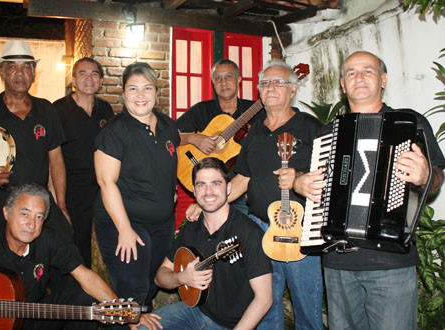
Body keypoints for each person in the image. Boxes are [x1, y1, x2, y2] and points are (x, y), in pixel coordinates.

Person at [294, 51, 445, 330]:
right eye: (351, 72)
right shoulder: (327, 134)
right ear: (342, 84)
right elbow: (301, 175)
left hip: (390, 262)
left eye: (368, 71)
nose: (359, 77)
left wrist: (425, 176)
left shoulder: (409, 123)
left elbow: (436, 177)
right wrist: (299, 183)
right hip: (338, 262)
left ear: (383, 79)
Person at [187, 58, 324, 330]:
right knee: (265, 306)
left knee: (306, 306)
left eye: (278, 82)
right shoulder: (255, 132)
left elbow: (328, 177)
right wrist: (208, 203)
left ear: (293, 90)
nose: (270, 87)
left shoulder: (311, 127)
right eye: (264, 83)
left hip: (300, 231)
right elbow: (242, 179)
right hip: (260, 230)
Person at [0, 183, 118, 330]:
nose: (32, 224)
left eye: (39, 217)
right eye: (24, 214)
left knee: (83, 298)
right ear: (6, 213)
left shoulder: (49, 240)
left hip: (33, 316)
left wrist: (123, 311)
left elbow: (87, 278)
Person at [0, 40, 71, 238]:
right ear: (1, 72)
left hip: (40, 202)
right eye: (12, 67)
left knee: (53, 255)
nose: (20, 73)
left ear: (34, 73)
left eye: (27, 67)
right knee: (6, 264)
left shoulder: (47, 110)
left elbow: (56, 161)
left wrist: (61, 205)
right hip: (3, 202)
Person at [93, 62, 179, 328]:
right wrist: (125, 229)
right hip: (122, 221)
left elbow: (170, 159)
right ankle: (131, 321)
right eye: (133, 89)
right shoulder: (115, 131)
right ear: (123, 94)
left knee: (153, 280)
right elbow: (106, 183)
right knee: (132, 283)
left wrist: (171, 188)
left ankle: (142, 316)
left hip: (162, 223)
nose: (140, 95)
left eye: (147, 88)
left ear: (156, 92)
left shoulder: (167, 126)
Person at [145, 157, 272, 330]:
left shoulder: (249, 233)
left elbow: (264, 299)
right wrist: (181, 278)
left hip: (232, 325)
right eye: (201, 184)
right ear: (194, 191)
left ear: (228, 188)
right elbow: (160, 277)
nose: (208, 191)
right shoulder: (191, 228)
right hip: (196, 310)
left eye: (216, 183)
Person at [177, 59, 262, 214]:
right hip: (210, 192)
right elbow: (169, 136)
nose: (223, 82)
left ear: (239, 80)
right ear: (212, 82)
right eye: (218, 78)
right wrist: (193, 139)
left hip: (246, 192)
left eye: (228, 77)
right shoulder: (202, 110)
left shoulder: (255, 110)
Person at [53, 57, 114, 267]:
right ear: (74, 80)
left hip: (101, 184)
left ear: (101, 81)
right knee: (75, 241)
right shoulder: (58, 110)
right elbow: (51, 156)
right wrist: (57, 199)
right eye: (82, 73)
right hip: (70, 186)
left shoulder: (105, 109)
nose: (89, 78)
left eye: (94, 74)